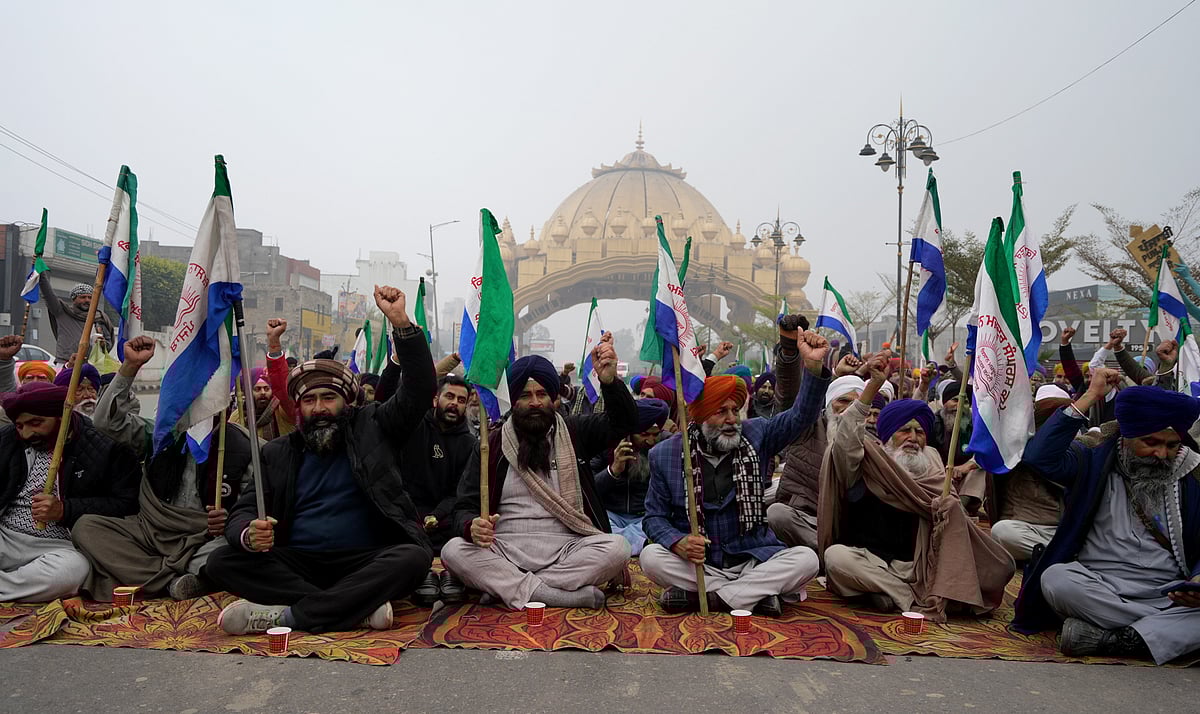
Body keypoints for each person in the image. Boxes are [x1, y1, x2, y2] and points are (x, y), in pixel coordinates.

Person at [205, 285, 436, 635]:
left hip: (367, 558)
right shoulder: (277, 453)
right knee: (222, 560)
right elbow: (243, 512)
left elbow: (419, 389)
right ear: (299, 408)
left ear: (346, 402)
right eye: (309, 401)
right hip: (299, 562)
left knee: (413, 558)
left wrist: (402, 324)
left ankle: (288, 616)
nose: (319, 408)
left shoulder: (375, 426)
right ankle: (354, 608)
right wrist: (248, 536)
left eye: (329, 398)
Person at [641, 323, 831, 616]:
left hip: (753, 555)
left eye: (735, 410)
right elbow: (654, 517)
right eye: (721, 411)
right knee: (651, 557)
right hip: (700, 562)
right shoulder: (665, 454)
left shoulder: (758, 434)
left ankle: (715, 598)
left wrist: (813, 366)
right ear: (702, 418)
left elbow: (801, 416)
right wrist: (677, 542)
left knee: (806, 560)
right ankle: (754, 594)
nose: (732, 419)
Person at [1013, 372, 1200, 663]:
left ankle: (1115, 639)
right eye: (1150, 442)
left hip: (1168, 593)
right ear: (1126, 435)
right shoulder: (1093, 460)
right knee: (1056, 579)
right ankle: (1156, 634)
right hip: (1098, 585)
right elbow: (1039, 457)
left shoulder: (1192, 474)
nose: (1162, 454)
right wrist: (1089, 397)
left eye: (1172, 445)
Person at [440, 342, 637, 611]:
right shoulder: (491, 445)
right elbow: (464, 506)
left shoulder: (575, 432)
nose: (534, 402)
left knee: (619, 548)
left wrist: (610, 382)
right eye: (525, 395)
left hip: (568, 548)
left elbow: (624, 423)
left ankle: (508, 588)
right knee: (453, 550)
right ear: (513, 400)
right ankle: (556, 595)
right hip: (504, 549)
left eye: (542, 394)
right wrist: (471, 525)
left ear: (553, 398)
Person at [819, 355, 1014, 620]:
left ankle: (885, 594)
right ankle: (907, 597)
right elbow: (845, 442)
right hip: (870, 560)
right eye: (904, 431)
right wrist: (872, 388)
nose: (912, 438)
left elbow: (953, 520)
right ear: (888, 436)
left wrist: (948, 509)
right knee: (836, 559)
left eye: (919, 432)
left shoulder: (932, 461)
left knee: (1001, 566)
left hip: (918, 565)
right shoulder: (868, 462)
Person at [72, 336, 252, 600]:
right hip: (152, 532)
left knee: (227, 555)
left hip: (203, 539)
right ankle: (173, 581)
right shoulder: (160, 435)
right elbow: (105, 423)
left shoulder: (243, 446)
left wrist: (231, 520)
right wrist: (129, 368)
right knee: (86, 528)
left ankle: (149, 575)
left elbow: (254, 510)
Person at [0, 382, 139, 601]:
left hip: (60, 546)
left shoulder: (105, 447)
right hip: (6, 536)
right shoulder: (8, 439)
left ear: (60, 417)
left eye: (35, 423)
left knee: (71, 573)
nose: (26, 433)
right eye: (20, 425)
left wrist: (65, 510)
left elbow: (126, 504)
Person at [767, 362, 865, 551]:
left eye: (855, 404)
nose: (848, 409)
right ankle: (828, 554)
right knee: (776, 514)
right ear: (829, 403)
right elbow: (790, 394)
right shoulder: (807, 427)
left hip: (842, 524)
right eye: (843, 401)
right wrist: (794, 355)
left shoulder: (868, 440)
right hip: (804, 518)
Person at [403, 374, 477, 605]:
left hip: (445, 513)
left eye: (461, 400)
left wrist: (438, 514)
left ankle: (451, 574)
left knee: (466, 525)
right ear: (436, 399)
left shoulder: (469, 443)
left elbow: (460, 491)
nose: (455, 403)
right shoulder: (413, 427)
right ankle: (422, 573)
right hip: (410, 509)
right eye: (449, 396)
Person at [985, 396, 1070, 562]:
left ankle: (1058, 553)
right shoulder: (1014, 452)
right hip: (1025, 528)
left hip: (1064, 529)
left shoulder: (1074, 450)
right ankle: (1060, 554)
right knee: (1002, 532)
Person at [592, 398, 670, 555]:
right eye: (644, 434)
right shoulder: (605, 442)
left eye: (655, 435)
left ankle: (623, 546)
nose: (650, 440)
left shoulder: (665, 445)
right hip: (611, 514)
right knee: (595, 523)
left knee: (660, 524)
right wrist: (613, 471)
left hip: (646, 516)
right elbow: (589, 489)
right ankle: (641, 545)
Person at [231, 318, 297, 441]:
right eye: (257, 389)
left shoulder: (281, 412)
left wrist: (274, 342)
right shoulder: (238, 416)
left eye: (266, 388)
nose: (263, 393)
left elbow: (282, 389)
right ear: (248, 391)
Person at [37, 273, 114, 363]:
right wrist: (41, 273)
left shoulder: (99, 318)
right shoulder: (63, 312)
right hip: (66, 363)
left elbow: (108, 345)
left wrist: (103, 344)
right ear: (73, 299)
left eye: (90, 297)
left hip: (92, 366)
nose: (87, 300)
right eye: (82, 297)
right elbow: (48, 294)